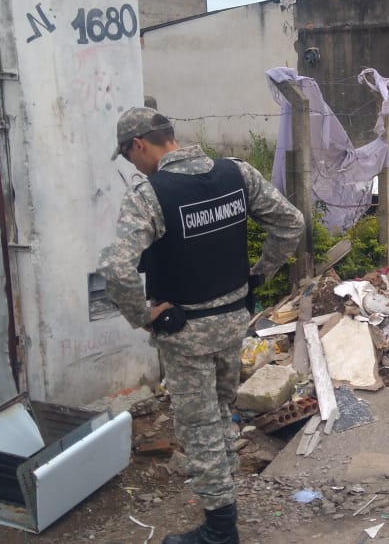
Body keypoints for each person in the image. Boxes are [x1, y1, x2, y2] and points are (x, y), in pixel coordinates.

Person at [98, 107, 304, 544]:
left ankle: (219, 531)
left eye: (128, 154)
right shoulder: (236, 174)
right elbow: (291, 222)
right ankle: (224, 491)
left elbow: (116, 270)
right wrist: (260, 274)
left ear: (139, 144)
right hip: (234, 321)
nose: (131, 164)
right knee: (221, 411)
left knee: (200, 426)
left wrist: (142, 317)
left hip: (185, 330)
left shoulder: (149, 195)